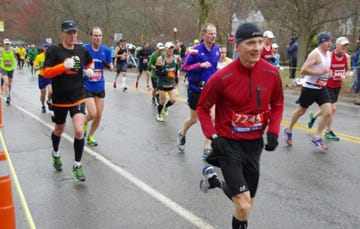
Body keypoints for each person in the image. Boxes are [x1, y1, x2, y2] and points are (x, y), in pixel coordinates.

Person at [197, 22, 284, 229]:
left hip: (254, 146)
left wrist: (273, 131)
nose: (257, 48)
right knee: (243, 205)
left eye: (260, 42)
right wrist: (213, 136)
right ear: (237, 47)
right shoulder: (222, 77)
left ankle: (214, 181)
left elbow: (278, 103)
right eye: (251, 43)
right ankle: (217, 179)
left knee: (246, 204)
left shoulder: (271, 73)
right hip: (229, 145)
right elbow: (202, 108)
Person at [43, 20, 94, 182]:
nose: (72, 36)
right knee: (59, 129)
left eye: (74, 32)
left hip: (78, 95)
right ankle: (56, 153)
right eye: (69, 32)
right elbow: (46, 73)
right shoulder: (54, 51)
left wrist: (89, 70)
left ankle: (77, 165)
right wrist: (63, 66)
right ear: (62, 34)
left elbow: (89, 61)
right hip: (60, 99)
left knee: (79, 130)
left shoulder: (81, 50)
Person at [283, 32, 333, 150]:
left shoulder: (328, 54)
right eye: (327, 41)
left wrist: (328, 74)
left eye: (330, 41)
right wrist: (320, 73)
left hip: (321, 87)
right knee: (301, 111)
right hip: (309, 87)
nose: (330, 43)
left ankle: (317, 137)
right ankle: (288, 129)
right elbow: (303, 71)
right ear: (321, 42)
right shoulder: (315, 54)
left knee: (328, 112)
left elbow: (325, 70)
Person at [177, 23, 220, 156]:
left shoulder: (216, 50)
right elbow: (185, 67)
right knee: (194, 119)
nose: (213, 36)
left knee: (212, 118)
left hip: (210, 90)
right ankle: (182, 133)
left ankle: (207, 147)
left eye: (214, 33)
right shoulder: (194, 50)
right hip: (196, 88)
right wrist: (199, 65)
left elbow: (214, 70)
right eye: (210, 33)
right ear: (203, 35)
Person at [307, 36, 351, 141]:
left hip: (337, 85)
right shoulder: (330, 55)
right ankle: (328, 131)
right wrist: (329, 73)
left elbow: (348, 70)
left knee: (328, 109)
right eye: (343, 45)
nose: (345, 47)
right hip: (327, 84)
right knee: (332, 109)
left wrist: (345, 75)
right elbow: (324, 68)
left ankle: (313, 117)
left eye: (346, 45)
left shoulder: (347, 57)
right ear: (337, 45)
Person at [83, 26, 114, 146]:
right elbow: (78, 64)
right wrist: (85, 71)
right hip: (87, 85)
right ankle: (84, 122)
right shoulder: (85, 49)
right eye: (95, 35)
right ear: (91, 37)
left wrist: (110, 66)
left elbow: (110, 64)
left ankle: (90, 136)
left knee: (99, 114)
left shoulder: (106, 50)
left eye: (100, 35)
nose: (98, 38)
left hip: (100, 85)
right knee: (92, 113)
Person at [155, 42, 178, 122]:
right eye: (169, 49)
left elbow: (176, 70)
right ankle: (159, 114)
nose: (170, 50)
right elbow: (157, 72)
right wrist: (167, 73)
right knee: (162, 100)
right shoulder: (161, 59)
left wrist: (176, 78)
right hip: (162, 83)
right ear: (165, 49)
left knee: (173, 100)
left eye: (172, 49)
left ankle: (166, 107)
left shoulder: (174, 58)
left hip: (171, 82)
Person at [34, 41, 52, 113]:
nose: (46, 48)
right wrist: (40, 67)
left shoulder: (52, 56)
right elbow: (34, 67)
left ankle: (49, 101)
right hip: (42, 76)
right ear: (43, 48)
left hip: (50, 75)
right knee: (43, 93)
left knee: (51, 91)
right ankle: (43, 105)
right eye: (45, 47)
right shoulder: (39, 56)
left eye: (47, 47)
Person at [0, 38, 16, 105]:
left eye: (8, 44)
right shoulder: (1, 50)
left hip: (11, 68)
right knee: (6, 83)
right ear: (4, 44)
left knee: (9, 84)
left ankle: (9, 94)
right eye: (6, 44)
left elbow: (18, 55)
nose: (7, 45)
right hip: (4, 68)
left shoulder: (13, 50)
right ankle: (8, 97)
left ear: (9, 44)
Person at [352, 36, 360, 105]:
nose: (357, 40)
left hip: (358, 67)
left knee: (358, 81)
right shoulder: (358, 48)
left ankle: (357, 96)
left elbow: (357, 58)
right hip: (357, 66)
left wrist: (354, 57)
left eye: (358, 39)